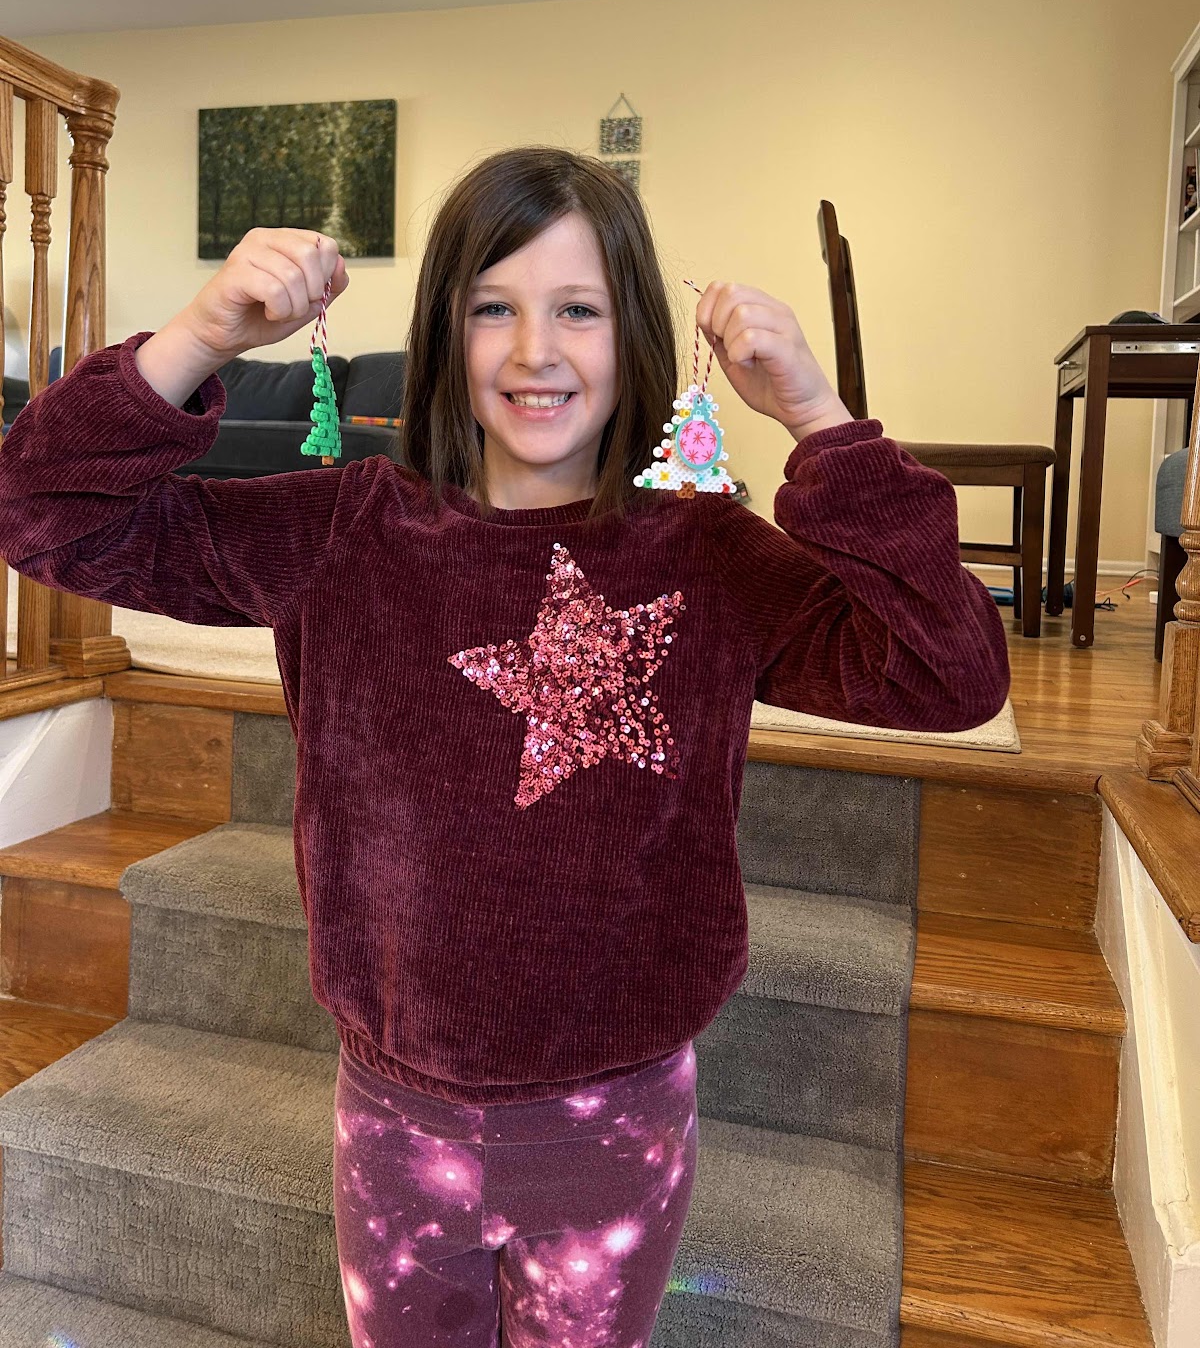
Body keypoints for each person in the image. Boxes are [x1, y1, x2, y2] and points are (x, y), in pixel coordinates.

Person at [0, 145, 1010, 1345]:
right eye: (494, 308)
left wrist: (816, 419)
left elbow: (951, 674)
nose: (536, 350)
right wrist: (203, 333)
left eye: (578, 309)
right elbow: (40, 511)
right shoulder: (344, 529)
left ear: (634, 335)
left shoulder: (711, 555)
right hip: (393, 1117)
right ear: (445, 330)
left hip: (618, 1122)